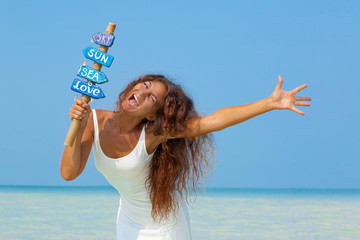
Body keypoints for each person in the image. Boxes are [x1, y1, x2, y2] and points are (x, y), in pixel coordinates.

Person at [61, 74, 311, 239]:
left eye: (152, 97)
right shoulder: (94, 120)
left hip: (165, 223)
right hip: (128, 219)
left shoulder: (153, 134)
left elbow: (211, 121)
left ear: (152, 114)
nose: (143, 92)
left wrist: (269, 103)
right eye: (145, 85)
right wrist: (78, 126)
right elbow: (69, 173)